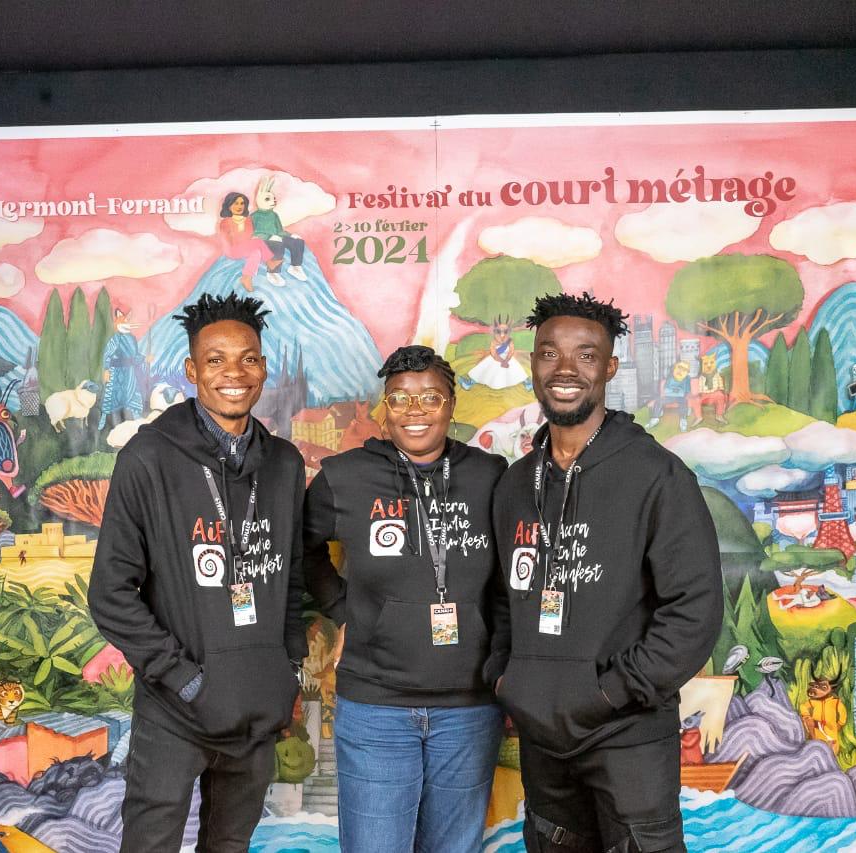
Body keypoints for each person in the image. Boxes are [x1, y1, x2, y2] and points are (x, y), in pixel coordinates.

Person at [486, 293, 723, 853]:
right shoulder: (516, 483)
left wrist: (609, 692)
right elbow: (501, 597)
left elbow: (694, 611)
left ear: (610, 368)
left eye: (586, 355)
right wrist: (507, 678)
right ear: (533, 363)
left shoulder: (657, 476)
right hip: (544, 744)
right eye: (550, 353)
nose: (565, 369)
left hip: (628, 736)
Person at [89, 292, 308, 853]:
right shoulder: (148, 458)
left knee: (229, 845)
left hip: (256, 706)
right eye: (216, 360)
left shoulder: (285, 464)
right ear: (191, 370)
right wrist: (184, 678)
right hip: (176, 709)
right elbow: (111, 594)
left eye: (248, 358)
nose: (234, 373)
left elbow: (291, 578)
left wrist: (286, 670)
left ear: (264, 367)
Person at [304, 345, 508, 853]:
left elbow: (510, 579)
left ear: (451, 404)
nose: (415, 410)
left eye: (430, 397)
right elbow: (300, 551)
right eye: (399, 398)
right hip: (376, 707)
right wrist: (341, 611)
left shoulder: (490, 475)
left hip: (469, 709)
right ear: (384, 408)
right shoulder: (344, 477)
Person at [98, 303, 151, 432]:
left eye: (128, 321)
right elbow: (107, 355)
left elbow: (135, 356)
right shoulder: (115, 339)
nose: (127, 323)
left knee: (133, 394)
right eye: (124, 321)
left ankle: (137, 418)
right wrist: (106, 370)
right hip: (116, 373)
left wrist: (145, 359)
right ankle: (104, 419)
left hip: (130, 373)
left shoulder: (131, 339)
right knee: (111, 397)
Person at [218, 191, 283, 291]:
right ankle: (270, 262)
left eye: (242, 203)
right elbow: (229, 241)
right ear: (229, 205)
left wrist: (248, 240)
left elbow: (249, 236)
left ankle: (247, 278)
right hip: (232, 250)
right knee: (258, 242)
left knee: (256, 252)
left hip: (245, 248)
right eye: (236, 203)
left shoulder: (248, 220)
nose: (239, 206)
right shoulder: (225, 222)